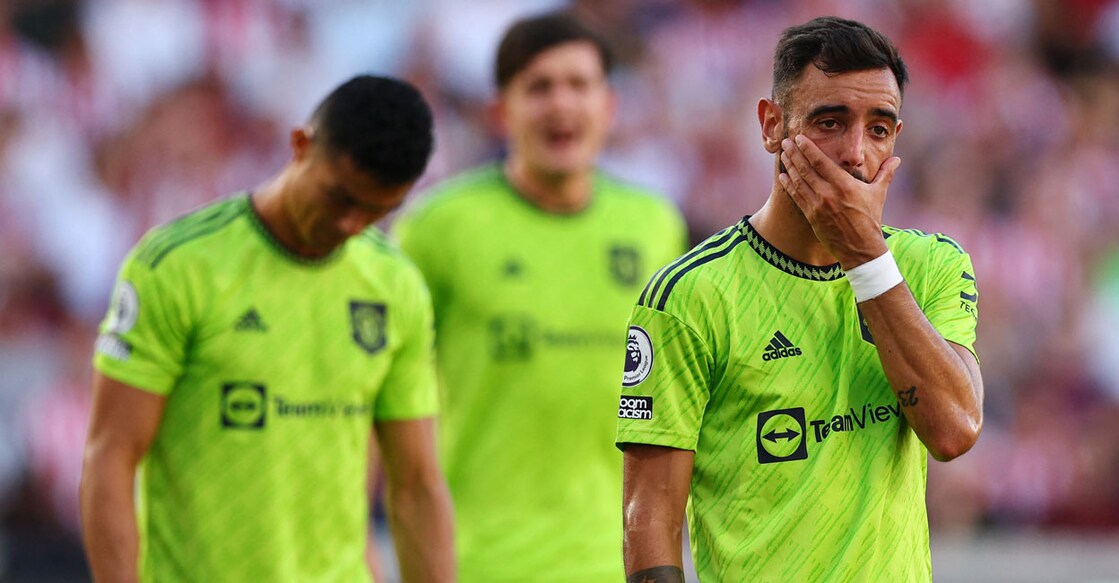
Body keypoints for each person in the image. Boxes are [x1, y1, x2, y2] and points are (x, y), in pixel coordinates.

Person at [616, 16, 984, 582]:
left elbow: (954, 431)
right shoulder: (690, 296)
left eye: (879, 128)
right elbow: (648, 526)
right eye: (829, 122)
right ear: (771, 126)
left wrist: (864, 258)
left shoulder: (931, 266)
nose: (855, 154)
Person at [79, 75, 455, 583]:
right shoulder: (178, 267)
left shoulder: (395, 286)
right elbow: (110, 458)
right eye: (340, 198)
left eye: (376, 211)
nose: (351, 224)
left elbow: (416, 485)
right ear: (301, 145)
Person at [393, 12, 686, 583]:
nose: (561, 104)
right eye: (539, 87)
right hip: (480, 563)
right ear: (500, 111)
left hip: (621, 563)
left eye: (579, 85)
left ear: (609, 106)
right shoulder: (437, 228)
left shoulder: (654, 225)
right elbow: (379, 394)